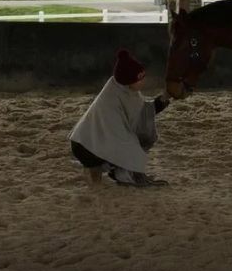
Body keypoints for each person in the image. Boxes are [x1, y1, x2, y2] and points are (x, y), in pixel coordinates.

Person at [69, 49, 170, 187]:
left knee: (135, 141)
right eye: (139, 79)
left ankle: (114, 170)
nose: (143, 81)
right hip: (86, 148)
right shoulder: (112, 99)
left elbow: (144, 112)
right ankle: (121, 174)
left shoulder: (124, 90)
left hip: (89, 143)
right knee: (132, 143)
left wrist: (164, 99)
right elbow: (122, 134)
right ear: (128, 80)